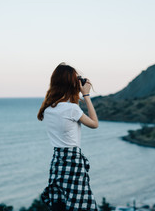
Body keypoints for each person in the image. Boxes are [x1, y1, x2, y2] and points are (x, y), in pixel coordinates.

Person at [37, 62, 99, 211]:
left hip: (57, 161)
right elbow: (94, 123)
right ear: (71, 83)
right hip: (72, 160)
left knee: (61, 203)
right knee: (79, 203)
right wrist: (86, 95)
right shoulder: (72, 109)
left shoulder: (47, 109)